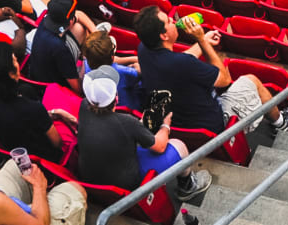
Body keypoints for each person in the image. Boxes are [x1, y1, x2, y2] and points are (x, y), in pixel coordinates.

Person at [133, 8, 288, 139]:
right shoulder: (183, 64)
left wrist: (204, 42)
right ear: (164, 35)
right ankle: (281, 122)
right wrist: (202, 41)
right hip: (212, 124)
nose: (173, 21)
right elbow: (225, 80)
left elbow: (179, 60)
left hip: (177, 121)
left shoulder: (144, 49)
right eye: (169, 21)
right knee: (251, 80)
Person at [72, 72, 209, 201]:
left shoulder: (84, 106)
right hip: (127, 183)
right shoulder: (126, 122)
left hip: (91, 179)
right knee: (180, 146)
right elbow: (160, 147)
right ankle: (187, 187)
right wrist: (165, 125)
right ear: (117, 98)